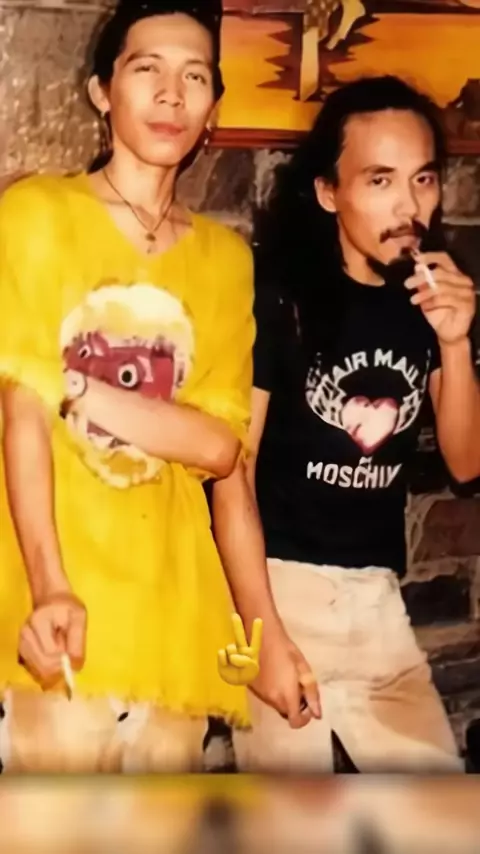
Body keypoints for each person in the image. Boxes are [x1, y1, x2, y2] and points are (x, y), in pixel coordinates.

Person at [0, 0, 296, 773]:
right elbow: (20, 411)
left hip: (175, 619)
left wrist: (263, 635)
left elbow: (222, 453)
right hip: (56, 615)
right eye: (147, 69)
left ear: (214, 107)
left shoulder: (226, 260)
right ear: (102, 91)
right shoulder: (34, 217)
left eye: (195, 76)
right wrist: (50, 586)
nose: (172, 93)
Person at [213, 75, 480, 772]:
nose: (408, 206)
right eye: (380, 180)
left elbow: (466, 462)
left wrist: (455, 342)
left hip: (376, 601)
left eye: (424, 179)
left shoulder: (431, 293)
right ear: (329, 192)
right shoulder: (278, 298)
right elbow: (234, 470)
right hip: (277, 586)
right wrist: (261, 634)